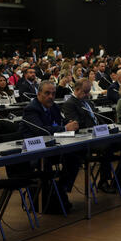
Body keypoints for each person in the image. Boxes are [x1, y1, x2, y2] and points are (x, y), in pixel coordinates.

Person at [21, 80, 80, 214]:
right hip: (33, 152)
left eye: (53, 94)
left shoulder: (53, 107)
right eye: (47, 93)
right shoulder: (31, 109)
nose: (51, 97)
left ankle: (61, 189)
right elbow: (42, 131)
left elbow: (58, 121)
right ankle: (50, 199)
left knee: (74, 158)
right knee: (45, 165)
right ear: (38, 94)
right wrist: (65, 128)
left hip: (51, 148)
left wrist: (70, 123)